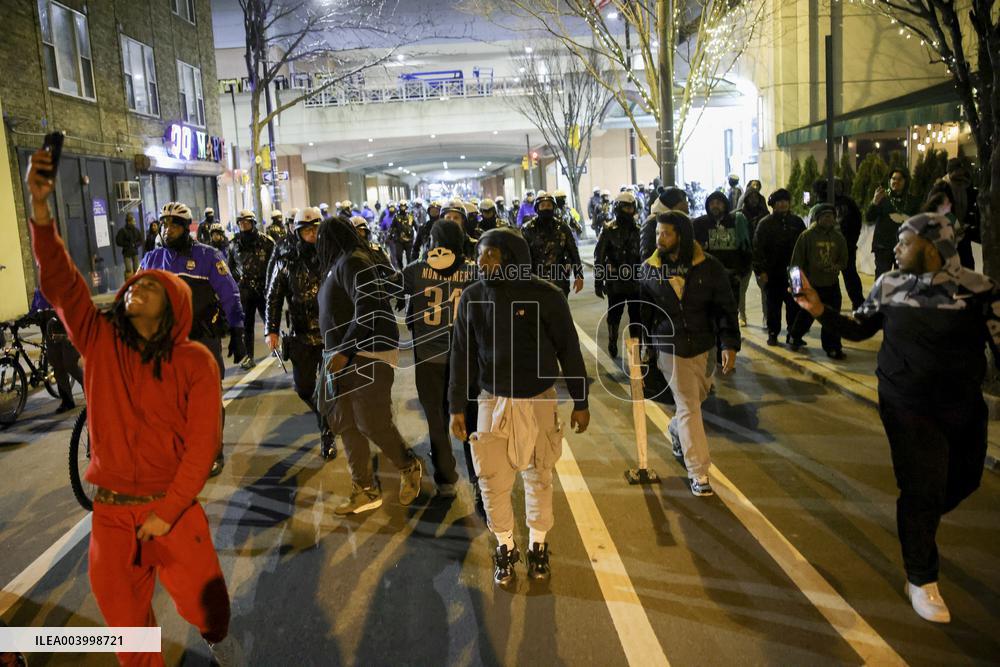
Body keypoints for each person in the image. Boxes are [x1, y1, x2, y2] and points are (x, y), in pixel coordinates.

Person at [25, 147, 232, 665]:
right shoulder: (98, 341)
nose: (136, 287)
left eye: (151, 287)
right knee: (126, 634)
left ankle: (212, 634)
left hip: (175, 510)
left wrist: (165, 513)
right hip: (112, 516)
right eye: (134, 284)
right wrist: (41, 208)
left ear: (175, 307)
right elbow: (59, 281)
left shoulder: (194, 362)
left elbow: (203, 444)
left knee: (208, 609)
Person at [793, 213, 1000, 625]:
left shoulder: (978, 291)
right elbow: (858, 328)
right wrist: (819, 309)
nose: (895, 250)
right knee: (922, 486)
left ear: (932, 247)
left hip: (961, 403)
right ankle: (921, 577)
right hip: (905, 402)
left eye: (904, 243)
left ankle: (917, 520)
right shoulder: (889, 285)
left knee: (964, 480)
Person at [449, 226, 591, 586]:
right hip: (491, 400)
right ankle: (505, 546)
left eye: (490, 254)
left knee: (539, 475)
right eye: (479, 254)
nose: (481, 262)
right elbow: (461, 355)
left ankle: (538, 546)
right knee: (492, 481)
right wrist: (455, 406)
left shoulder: (547, 296)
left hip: (539, 400)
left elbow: (569, 350)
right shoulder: (472, 297)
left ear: (511, 258)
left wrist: (580, 400)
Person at [316, 217, 423, 515]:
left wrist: (345, 350)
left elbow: (368, 306)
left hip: (366, 354)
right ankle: (363, 488)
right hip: (345, 356)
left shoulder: (353, 262)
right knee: (346, 423)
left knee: (370, 421)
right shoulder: (340, 263)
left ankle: (408, 465)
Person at [141, 202, 246, 476]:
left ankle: (214, 452)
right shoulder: (151, 259)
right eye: (164, 224)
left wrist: (237, 331)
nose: (167, 229)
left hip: (202, 338)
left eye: (174, 224)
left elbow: (230, 294)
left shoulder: (208, 256)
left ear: (186, 228)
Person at [640, 212, 740, 496]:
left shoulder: (709, 267)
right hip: (670, 346)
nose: (659, 239)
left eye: (666, 233)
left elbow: (725, 307)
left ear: (681, 235)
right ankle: (699, 472)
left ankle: (675, 431)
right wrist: (641, 344)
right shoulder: (650, 269)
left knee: (699, 397)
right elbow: (643, 310)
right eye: (658, 233)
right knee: (688, 406)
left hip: (704, 345)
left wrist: (729, 344)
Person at [400, 219, 479, 499]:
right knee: (470, 419)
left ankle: (446, 476)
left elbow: (390, 291)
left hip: (429, 357)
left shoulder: (416, 272)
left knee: (436, 418)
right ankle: (480, 479)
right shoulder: (473, 272)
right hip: (464, 358)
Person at [265, 207, 336, 460]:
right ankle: (322, 413)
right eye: (307, 230)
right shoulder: (286, 262)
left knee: (330, 387)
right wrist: (271, 330)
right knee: (304, 387)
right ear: (298, 232)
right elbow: (273, 297)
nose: (312, 234)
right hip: (301, 334)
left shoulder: (333, 258)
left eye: (316, 229)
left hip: (331, 333)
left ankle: (327, 432)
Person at [787, 203, 848, 357]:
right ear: (817, 218)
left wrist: (836, 267)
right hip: (812, 284)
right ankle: (795, 336)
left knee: (832, 317)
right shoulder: (806, 236)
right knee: (807, 315)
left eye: (831, 216)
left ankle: (832, 347)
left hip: (831, 284)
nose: (828, 219)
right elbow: (796, 263)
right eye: (825, 215)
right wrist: (796, 287)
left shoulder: (838, 237)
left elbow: (844, 259)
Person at [753, 189, 806, 346]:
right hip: (772, 272)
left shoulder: (797, 222)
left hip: (795, 273)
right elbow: (757, 249)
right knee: (773, 305)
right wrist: (760, 270)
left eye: (785, 201)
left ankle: (793, 334)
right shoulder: (765, 224)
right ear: (773, 205)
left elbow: (804, 246)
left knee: (795, 304)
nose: (783, 204)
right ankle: (773, 333)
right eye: (779, 201)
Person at [594, 191, 642, 358]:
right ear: (618, 208)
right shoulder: (608, 229)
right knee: (614, 314)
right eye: (625, 207)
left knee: (636, 316)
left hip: (635, 281)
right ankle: (612, 340)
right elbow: (599, 256)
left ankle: (636, 348)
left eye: (631, 207)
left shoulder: (638, 229)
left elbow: (644, 256)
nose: (628, 211)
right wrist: (598, 282)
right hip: (615, 281)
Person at [228, 209, 275, 369]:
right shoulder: (233, 244)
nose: (244, 225)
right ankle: (249, 356)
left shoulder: (266, 241)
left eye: (247, 222)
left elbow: (275, 264)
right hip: (245, 290)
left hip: (264, 288)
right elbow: (230, 267)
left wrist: (271, 284)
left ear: (253, 223)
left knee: (269, 319)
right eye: (241, 223)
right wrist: (239, 280)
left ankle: (275, 347)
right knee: (247, 325)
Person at [29, 288, 83, 413]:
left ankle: (91, 392)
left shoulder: (62, 283)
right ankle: (67, 400)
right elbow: (34, 310)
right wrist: (25, 319)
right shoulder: (40, 291)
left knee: (70, 363)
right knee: (57, 366)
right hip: (50, 332)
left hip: (66, 329)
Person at [521, 192, 585, 297]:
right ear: (537, 208)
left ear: (553, 207)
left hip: (559, 280)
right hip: (536, 281)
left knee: (560, 311)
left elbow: (573, 252)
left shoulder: (563, 227)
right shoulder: (527, 229)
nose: (546, 208)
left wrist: (579, 275)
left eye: (549, 205)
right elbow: (522, 256)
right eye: (543, 206)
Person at [865, 168, 918, 277]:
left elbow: (917, 221)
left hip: (904, 246)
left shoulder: (912, 201)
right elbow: (869, 217)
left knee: (902, 279)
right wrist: (874, 202)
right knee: (883, 279)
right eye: (893, 178)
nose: (896, 182)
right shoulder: (882, 198)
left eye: (899, 179)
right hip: (883, 247)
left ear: (905, 181)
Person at [734, 187, 770, 325]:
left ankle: (766, 316)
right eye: (751, 197)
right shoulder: (740, 215)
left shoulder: (765, 214)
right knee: (742, 287)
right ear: (746, 199)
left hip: (760, 255)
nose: (753, 200)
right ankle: (741, 315)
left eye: (756, 197)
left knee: (764, 287)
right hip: (745, 255)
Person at [937, 159, 980, 269]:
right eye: (958, 172)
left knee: (967, 266)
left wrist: (968, 224)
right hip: (946, 235)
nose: (961, 176)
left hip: (963, 235)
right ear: (950, 172)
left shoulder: (966, 186)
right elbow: (940, 209)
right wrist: (955, 225)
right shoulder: (941, 188)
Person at [640, 186, 688, 259]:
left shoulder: (678, 220)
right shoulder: (652, 222)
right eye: (684, 200)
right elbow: (647, 256)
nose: (687, 203)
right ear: (674, 204)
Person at [387, 200, 416, 269]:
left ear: (406, 207)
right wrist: (389, 236)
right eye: (401, 206)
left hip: (409, 240)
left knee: (409, 257)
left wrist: (419, 235)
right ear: (399, 207)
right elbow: (392, 227)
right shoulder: (396, 217)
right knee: (398, 256)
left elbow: (416, 226)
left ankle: (409, 270)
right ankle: (402, 270)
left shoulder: (410, 216)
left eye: (404, 206)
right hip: (399, 240)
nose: (403, 208)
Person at [115, 212, 144, 281]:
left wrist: (135, 244)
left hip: (134, 251)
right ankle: (128, 282)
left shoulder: (136, 230)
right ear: (129, 221)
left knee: (136, 269)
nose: (134, 222)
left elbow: (140, 240)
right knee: (128, 269)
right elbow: (118, 241)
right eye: (133, 220)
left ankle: (136, 282)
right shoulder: (123, 231)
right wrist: (127, 244)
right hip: (126, 252)